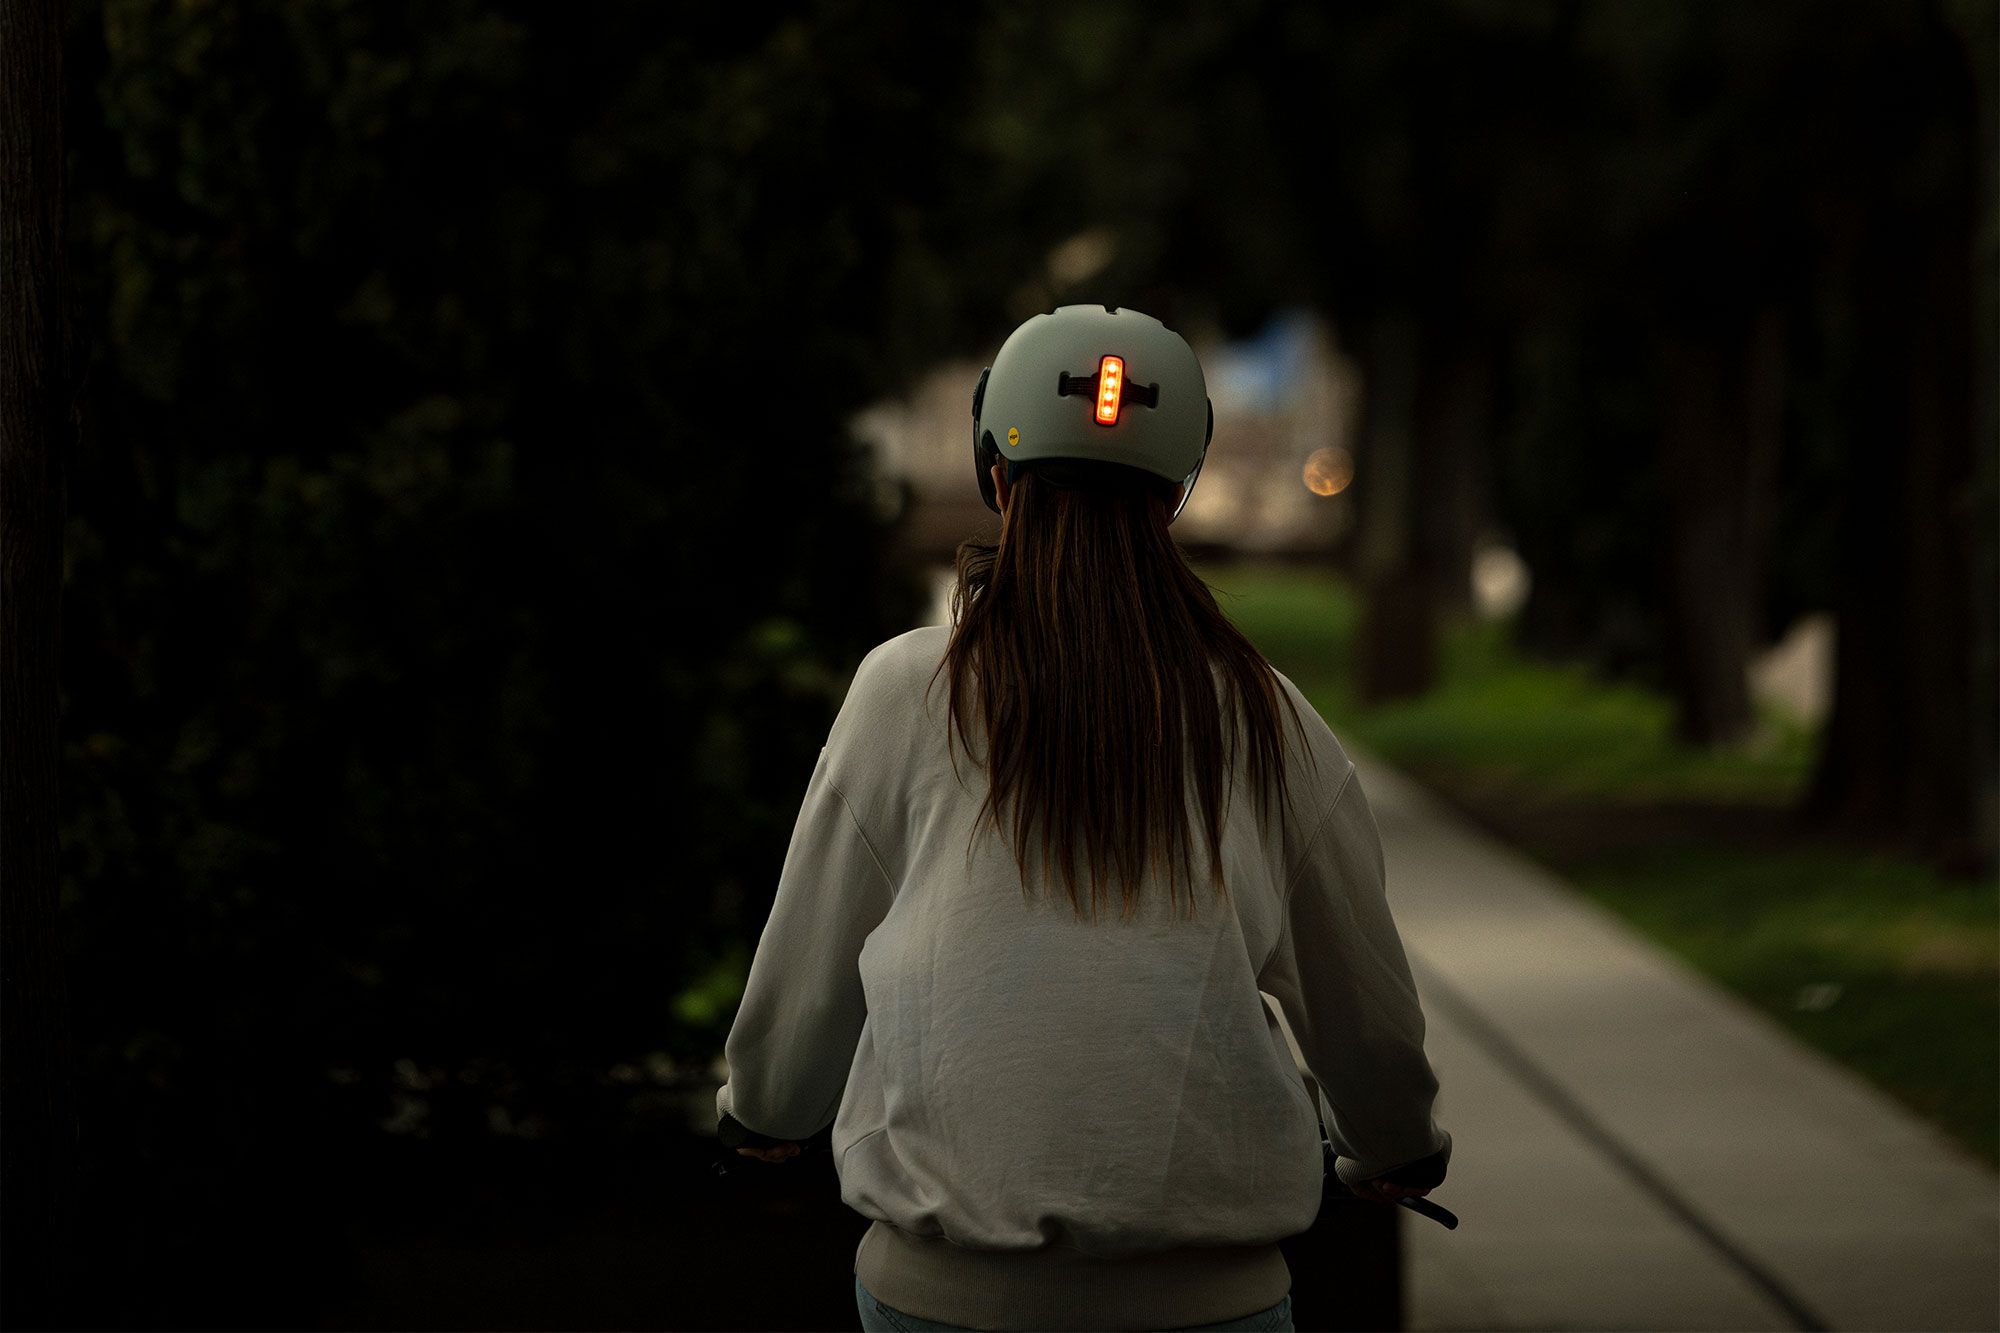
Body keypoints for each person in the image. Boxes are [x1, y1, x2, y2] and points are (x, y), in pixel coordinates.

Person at [716, 305, 1451, 1332]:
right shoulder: (1266, 715)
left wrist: (765, 1107)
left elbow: (805, 975)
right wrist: (1393, 1145)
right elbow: (1364, 1012)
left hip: (940, 1300)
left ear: (996, 474)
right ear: (1176, 490)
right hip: (1211, 1304)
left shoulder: (905, 692)